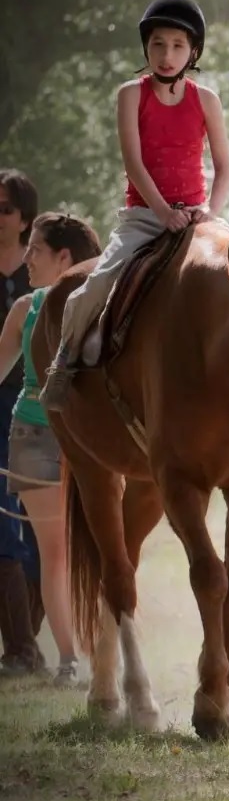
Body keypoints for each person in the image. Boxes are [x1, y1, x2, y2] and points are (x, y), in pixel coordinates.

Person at [38, 0, 229, 410]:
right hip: (145, 216)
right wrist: (163, 213)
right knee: (91, 289)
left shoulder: (207, 100)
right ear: (146, 47)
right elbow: (134, 163)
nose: (167, 55)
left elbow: (225, 169)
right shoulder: (131, 94)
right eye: (158, 44)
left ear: (193, 51)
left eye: (178, 46)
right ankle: (63, 363)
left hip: (199, 217)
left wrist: (210, 213)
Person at [0, 212, 102, 686]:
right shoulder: (26, 308)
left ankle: (100, 656)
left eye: (36, 250)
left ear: (65, 256)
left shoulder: (101, 303)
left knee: (102, 548)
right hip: (35, 434)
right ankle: (68, 660)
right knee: (56, 554)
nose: (27, 259)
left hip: (88, 439)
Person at [0, 168, 43, 678]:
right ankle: (22, 649)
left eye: (5, 209)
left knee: (37, 531)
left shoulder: (41, 275)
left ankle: (28, 642)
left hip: (34, 409)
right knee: (5, 526)